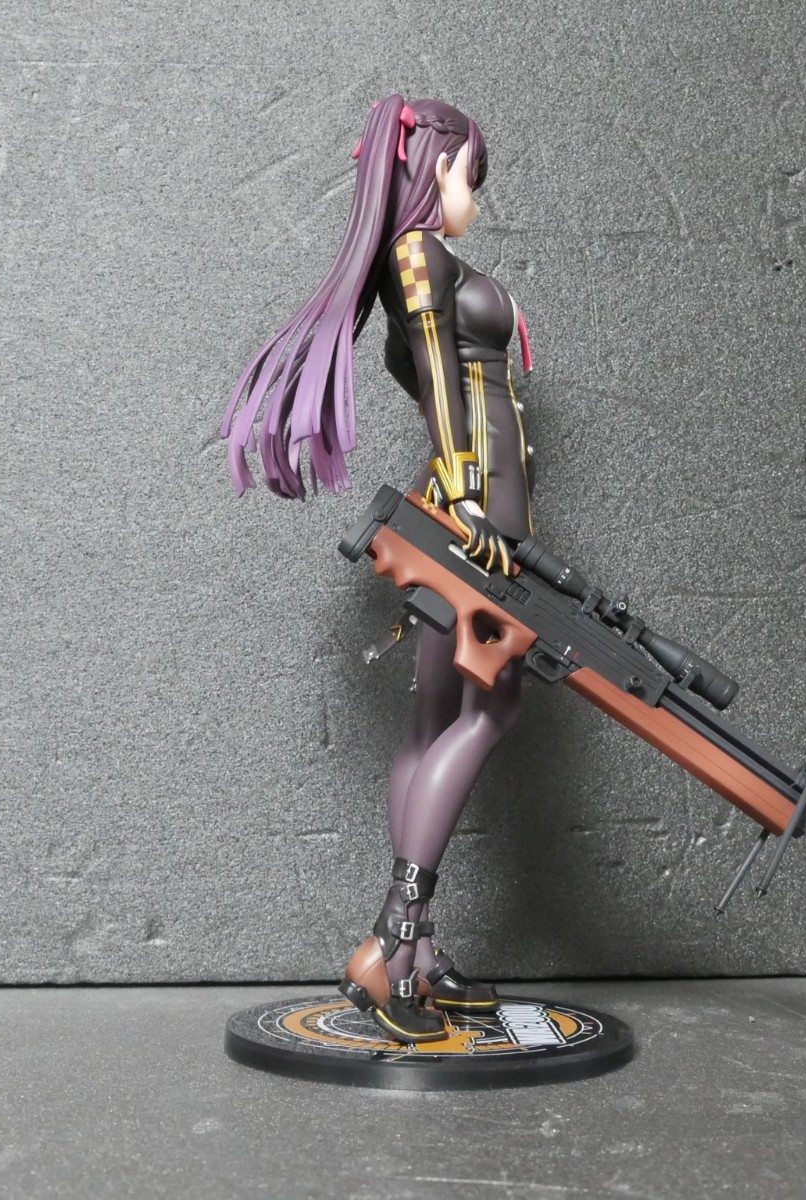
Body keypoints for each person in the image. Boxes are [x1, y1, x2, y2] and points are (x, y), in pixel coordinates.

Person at [223, 96, 535, 1042]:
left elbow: (434, 364)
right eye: (470, 175)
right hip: (478, 513)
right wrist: (470, 494)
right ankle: (395, 937)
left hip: (460, 507)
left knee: (433, 718)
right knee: (491, 709)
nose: (474, 196)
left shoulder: (417, 259)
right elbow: (437, 367)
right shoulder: (420, 255)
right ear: (435, 166)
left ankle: (418, 953)